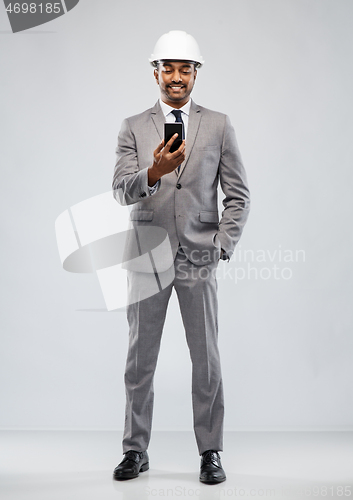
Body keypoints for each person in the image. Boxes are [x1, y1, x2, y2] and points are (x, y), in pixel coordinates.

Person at [111, 30, 250, 484]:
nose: (176, 77)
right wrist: (154, 171)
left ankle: (211, 450)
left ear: (196, 73)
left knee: (206, 359)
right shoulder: (134, 126)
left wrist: (223, 243)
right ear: (155, 72)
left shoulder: (218, 125)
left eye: (184, 69)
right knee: (139, 360)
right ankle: (135, 450)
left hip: (198, 258)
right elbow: (119, 190)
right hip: (147, 257)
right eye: (167, 68)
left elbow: (238, 196)